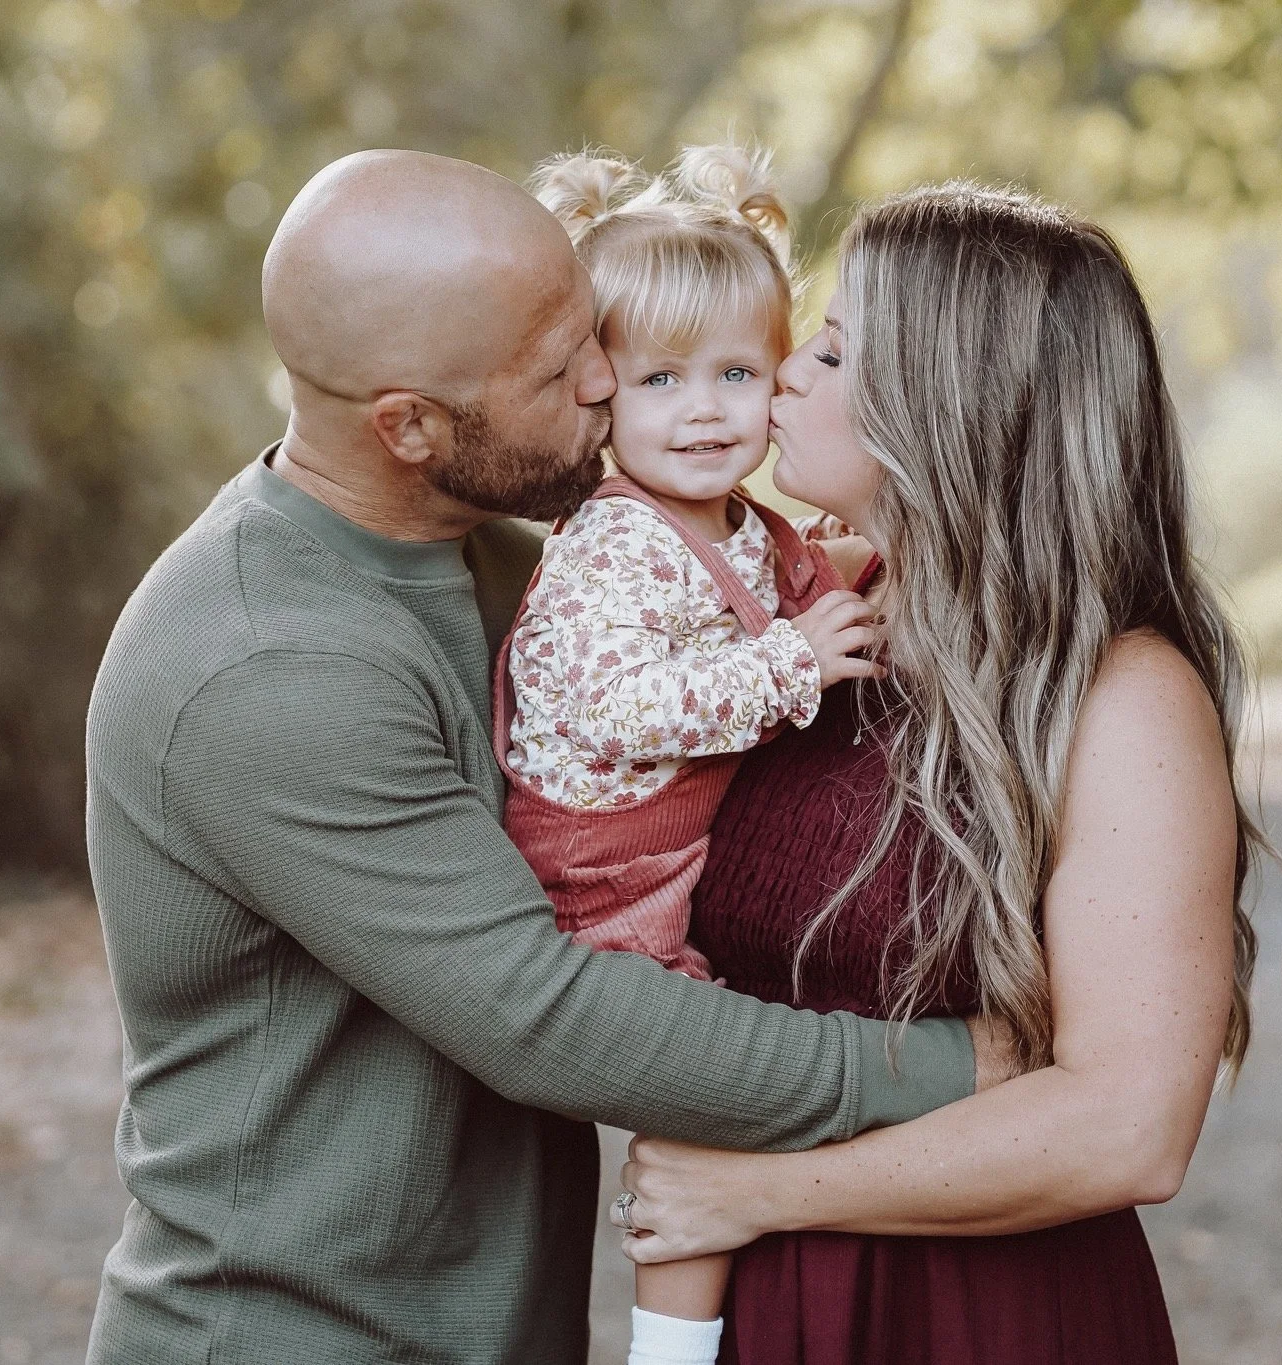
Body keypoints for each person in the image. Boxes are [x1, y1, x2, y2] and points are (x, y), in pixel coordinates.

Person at [81, 151, 1008, 1365]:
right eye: (561, 369)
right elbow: (547, 1016)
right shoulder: (266, 662)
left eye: (595, 334)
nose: (603, 381)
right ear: (408, 426)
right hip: (295, 1337)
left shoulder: (529, 567)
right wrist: (969, 1063)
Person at [615, 183, 1268, 1363]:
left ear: (946, 401)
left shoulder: (1121, 702)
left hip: (975, 1314)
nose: (786, 375)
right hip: (761, 1304)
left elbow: (1129, 1128)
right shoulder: (796, 620)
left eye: (832, 348)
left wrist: (762, 1196)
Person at [498, 144, 880, 1365]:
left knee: (737, 1105)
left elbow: (803, 588)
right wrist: (790, 666)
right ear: (602, 392)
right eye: (662, 379)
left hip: (671, 863)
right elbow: (622, 708)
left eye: (736, 372)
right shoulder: (612, 546)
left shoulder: (735, 526)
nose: (706, 409)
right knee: (722, 1109)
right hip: (602, 885)